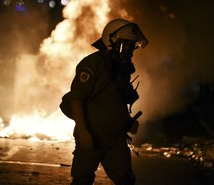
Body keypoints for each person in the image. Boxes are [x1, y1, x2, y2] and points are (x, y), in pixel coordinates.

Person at [60, 18, 149, 185]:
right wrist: (83, 131)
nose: (130, 51)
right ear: (112, 41)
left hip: (115, 139)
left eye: (132, 46)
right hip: (93, 136)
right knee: (83, 180)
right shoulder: (93, 64)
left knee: (126, 179)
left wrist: (128, 122)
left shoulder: (121, 69)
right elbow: (76, 98)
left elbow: (115, 101)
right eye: (127, 45)